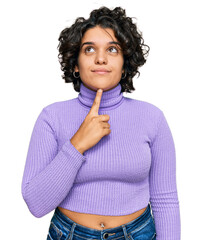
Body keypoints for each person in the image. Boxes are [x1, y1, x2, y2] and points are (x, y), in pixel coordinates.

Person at [21, 6, 181, 240]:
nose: (101, 58)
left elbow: (165, 199)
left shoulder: (152, 118)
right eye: (89, 49)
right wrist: (77, 145)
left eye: (112, 49)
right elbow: (36, 204)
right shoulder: (51, 118)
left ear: (125, 63)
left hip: (138, 234)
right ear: (75, 64)